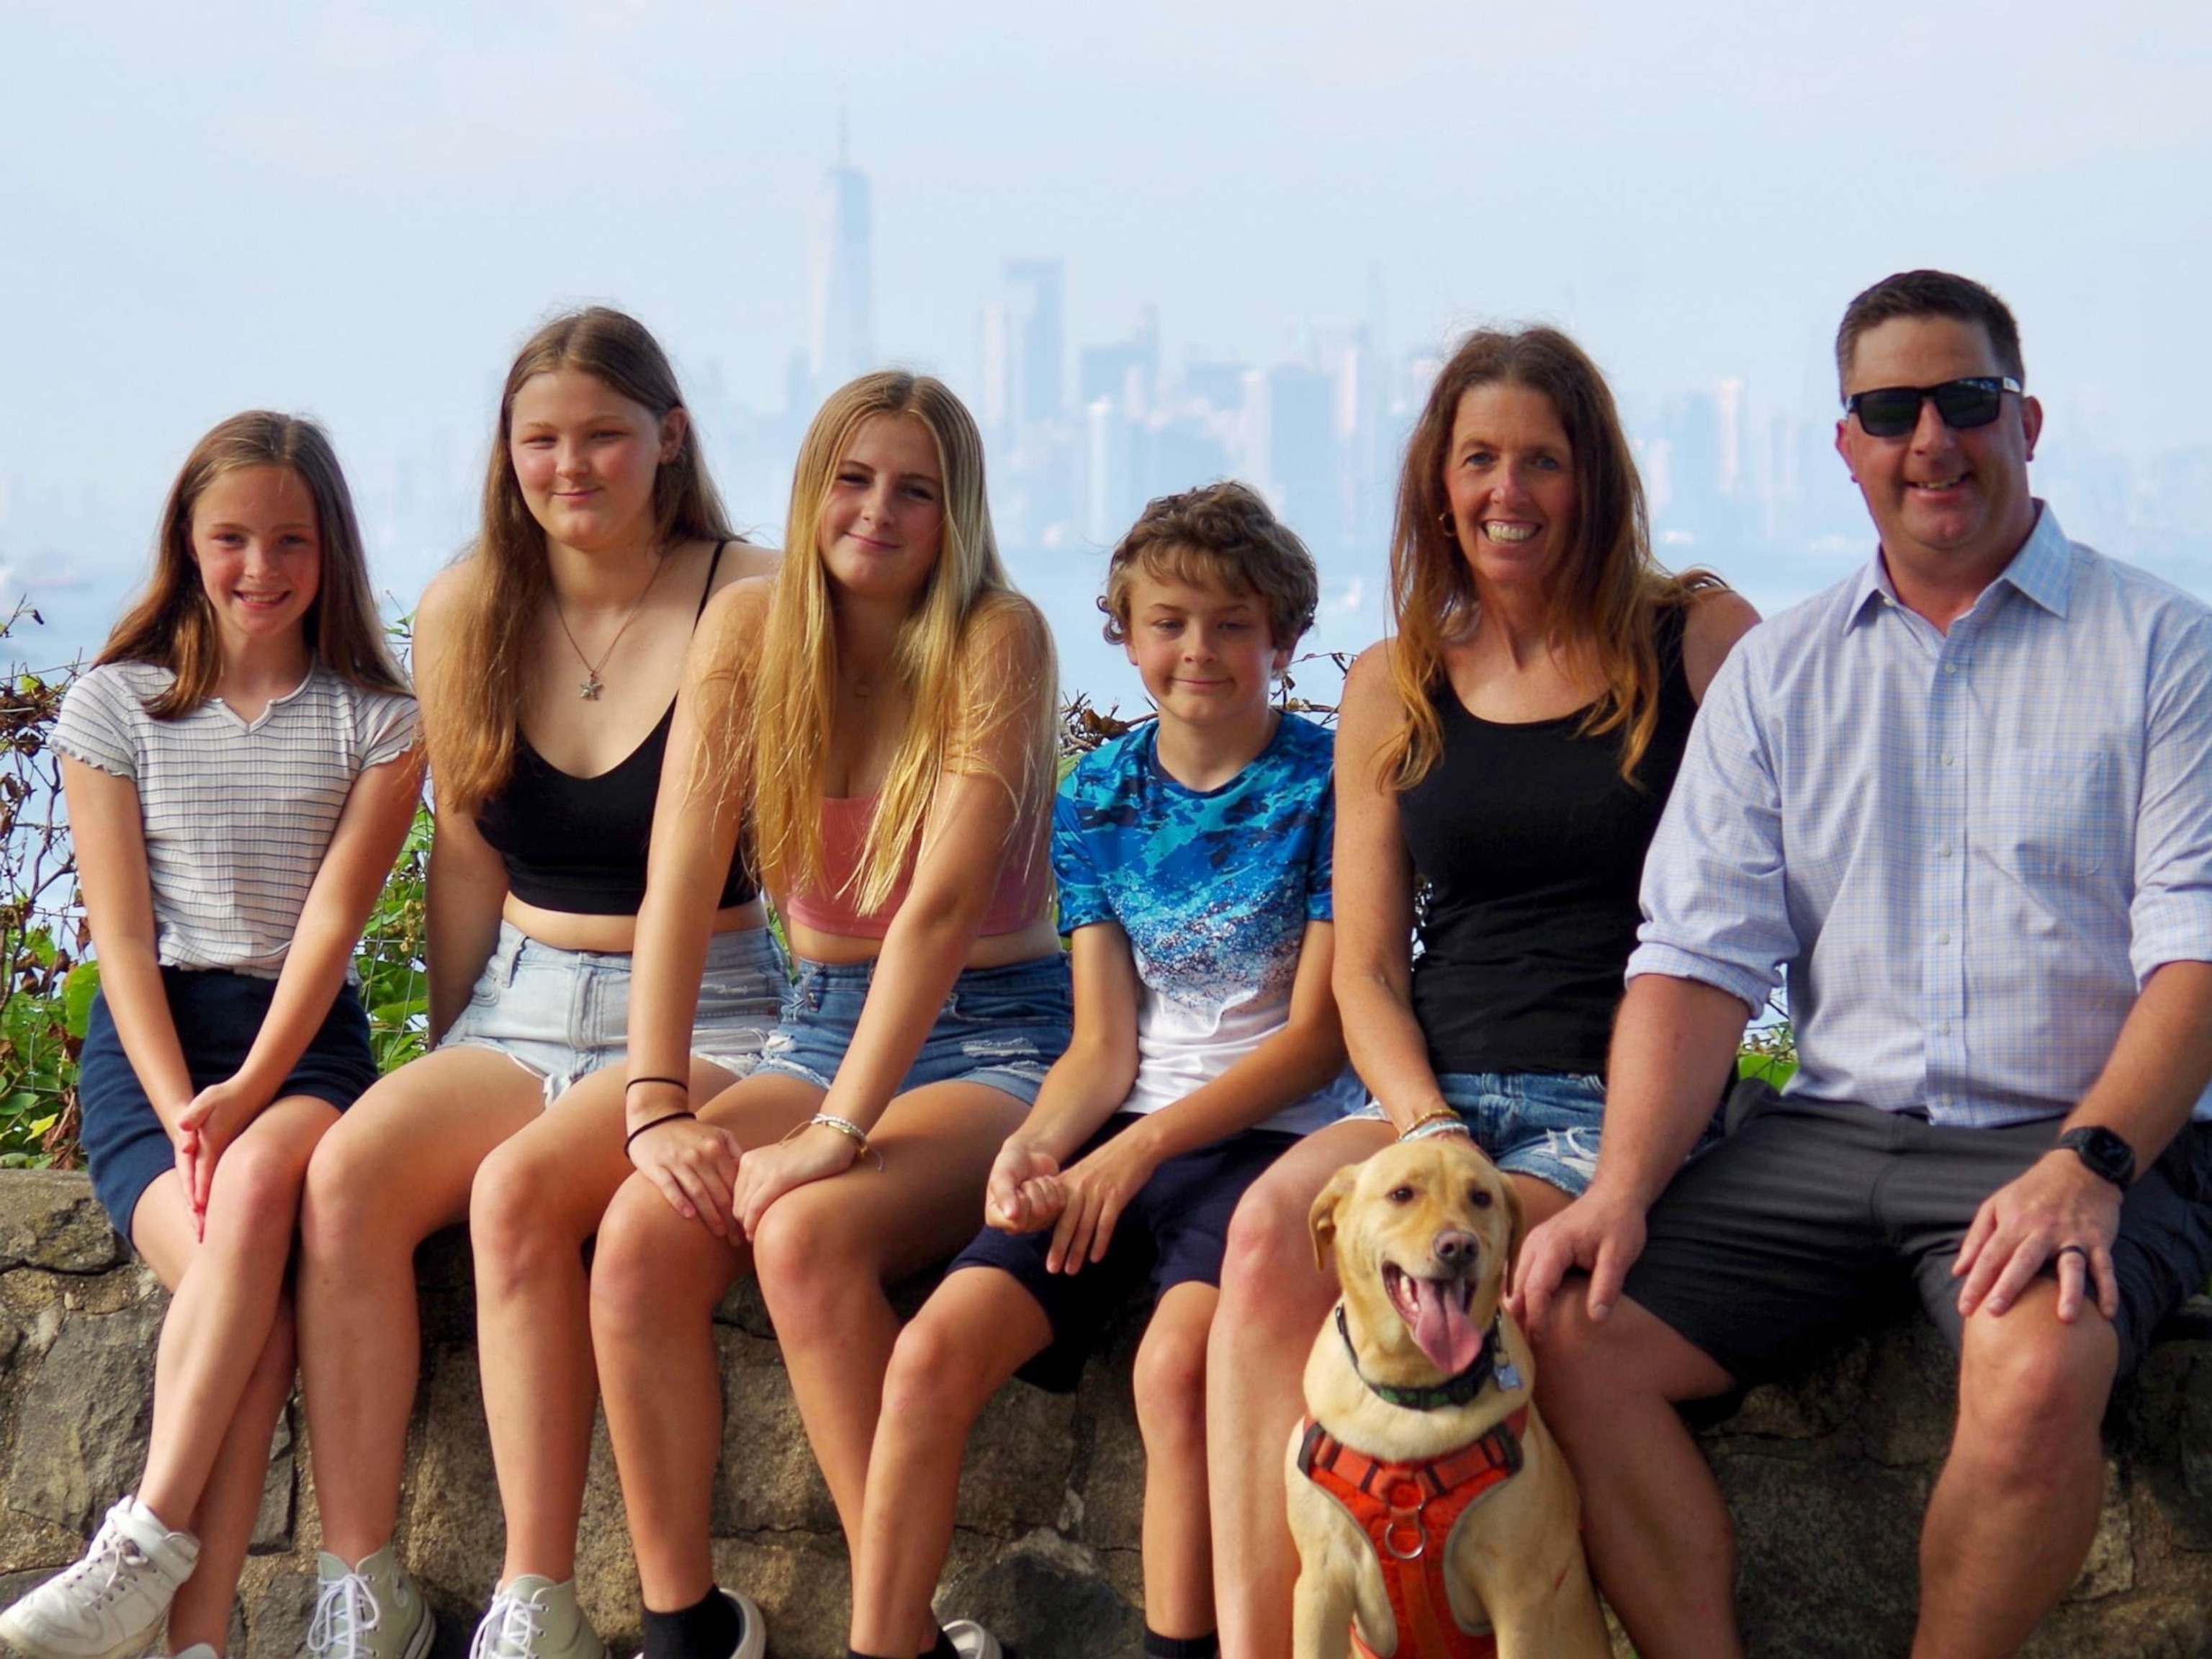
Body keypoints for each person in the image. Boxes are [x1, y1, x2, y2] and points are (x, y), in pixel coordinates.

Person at [1512, 269, 2212, 1659]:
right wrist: (1623, 1190)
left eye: (1967, 402)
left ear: (2029, 420)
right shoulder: (1783, 677)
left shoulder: (2163, 649)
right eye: (1891, 411)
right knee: (1569, 1332)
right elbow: (1695, 962)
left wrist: (2092, 1165)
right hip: (1830, 1134)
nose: (1932, 441)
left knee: (2030, 1378)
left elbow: (2196, 958)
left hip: (2075, 1137)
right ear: (1848, 446)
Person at [1202, 326, 1758, 1658]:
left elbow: (1782, 882)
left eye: (1543, 462)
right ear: (1437, 485)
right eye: (1479, 460)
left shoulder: (1697, 641)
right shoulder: (1397, 679)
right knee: (1269, 1238)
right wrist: (1426, 1120)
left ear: (1596, 481)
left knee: (1522, 1294)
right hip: (1431, 1091)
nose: (1509, 491)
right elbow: (1370, 972)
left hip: (1610, 1093)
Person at [292, 309, 781, 1659]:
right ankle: (362, 1586)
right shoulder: (467, 603)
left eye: (605, 438)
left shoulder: (749, 594)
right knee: (346, 1180)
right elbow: (461, 853)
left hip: (710, 1006)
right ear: (506, 455)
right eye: (542, 442)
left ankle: (535, 1599)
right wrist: (448, 1045)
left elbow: (743, 859)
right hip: (519, 997)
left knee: (514, 1199)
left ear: (669, 441)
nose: (574, 469)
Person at [586, 371, 1067, 1659]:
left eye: (916, 488)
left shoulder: (995, 637)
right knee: (640, 1233)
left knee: (804, 1240)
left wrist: (839, 1133)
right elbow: (680, 875)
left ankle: (897, 1634)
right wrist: (654, 1105)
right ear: (812, 492)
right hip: (823, 1020)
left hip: (1000, 1028)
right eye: (854, 479)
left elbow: (944, 903)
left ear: (956, 514)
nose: (878, 510)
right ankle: (687, 1625)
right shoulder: (749, 631)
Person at [845, 482, 1362, 1659]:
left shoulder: (1328, 781)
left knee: (1177, 1370)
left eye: (1234, 625)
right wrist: (1036, 1146)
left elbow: (1318, 1038)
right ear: (1124, 632)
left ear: (1283, 640)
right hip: (1122, 1129)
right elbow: (1100, 1045)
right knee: (929, 1352)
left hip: (1274, 1136)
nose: (1199, 651)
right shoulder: (1097, 795)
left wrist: (1134, 1153)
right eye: (1169, 621)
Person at [0, 414, 421, 1659]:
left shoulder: (376, 720)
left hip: (302, 1051)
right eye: (231, 536)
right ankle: (193, 1643)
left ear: (330, 551)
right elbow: (122, 943)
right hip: (151, 1050)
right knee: (262, 1315)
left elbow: (331, 933)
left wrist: (244, 1091)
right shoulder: (112, 705)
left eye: (291, 540)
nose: (260, 567)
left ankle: (143, 1541)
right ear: (186, 540)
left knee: (251, 1202)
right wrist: (187, 1096)